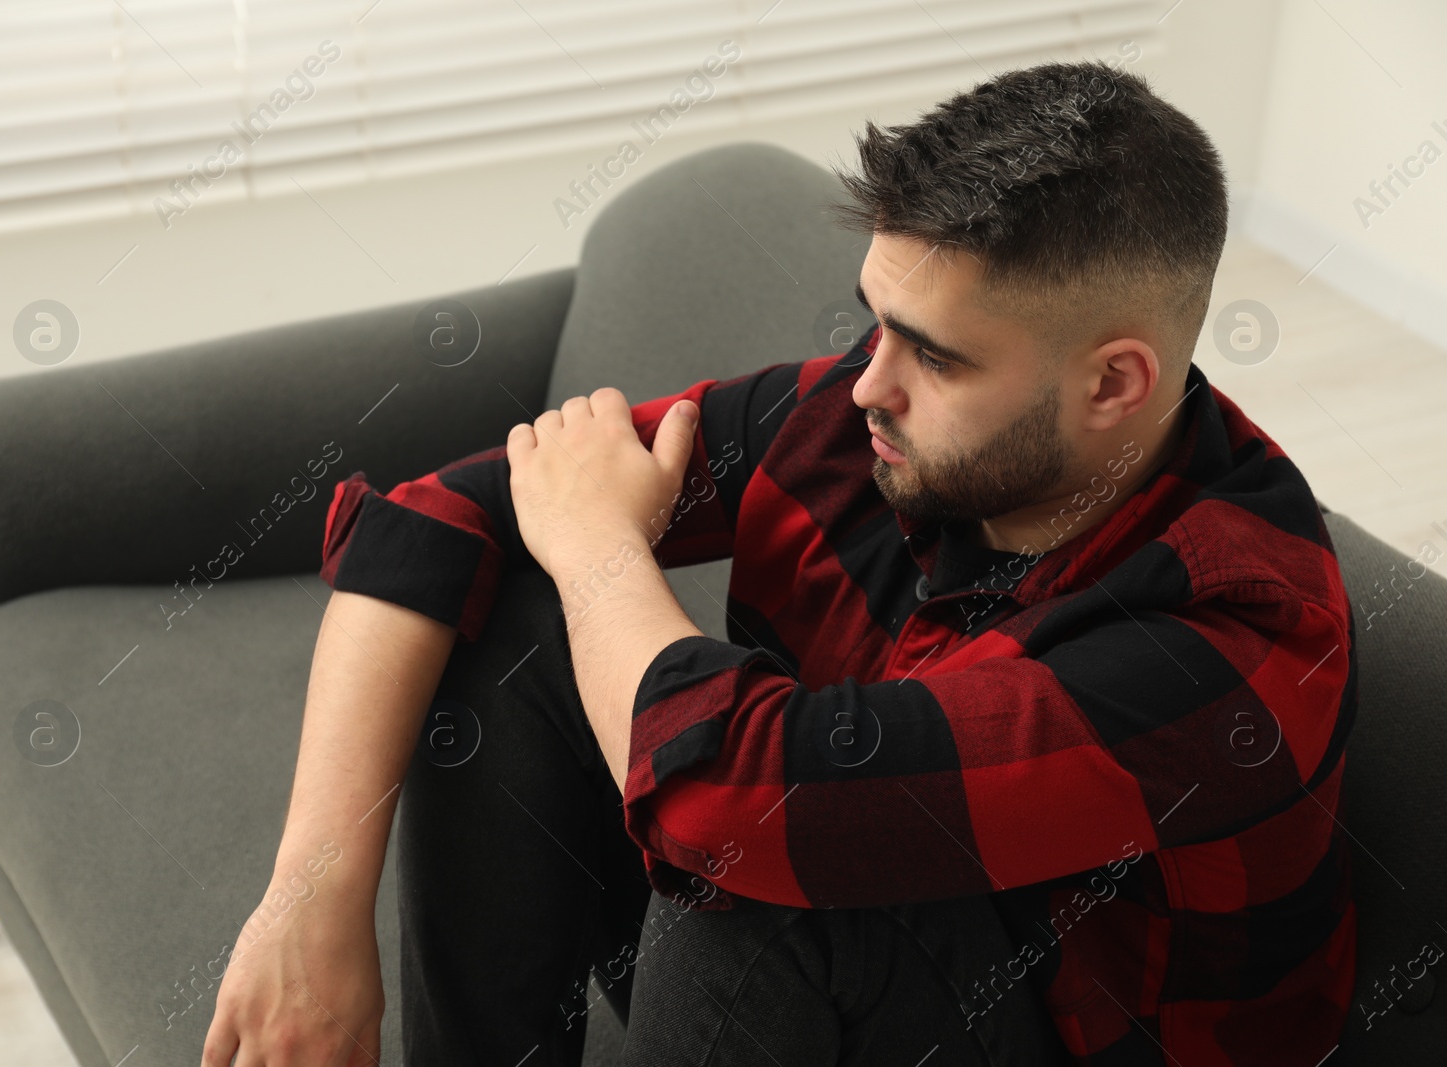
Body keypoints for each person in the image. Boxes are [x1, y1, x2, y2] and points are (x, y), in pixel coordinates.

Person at [201, 58, 1357, 1066]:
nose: (867, 383)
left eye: (936, 357)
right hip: (853, 980)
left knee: (763, 868)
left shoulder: (1232, 635)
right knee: (516, 610)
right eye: (877, 320)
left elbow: (735, 808)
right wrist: (309, 906)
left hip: (1053, 1033)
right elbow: (436, 516)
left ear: (1113, 384)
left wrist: (602, 546)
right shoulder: (869, 422)